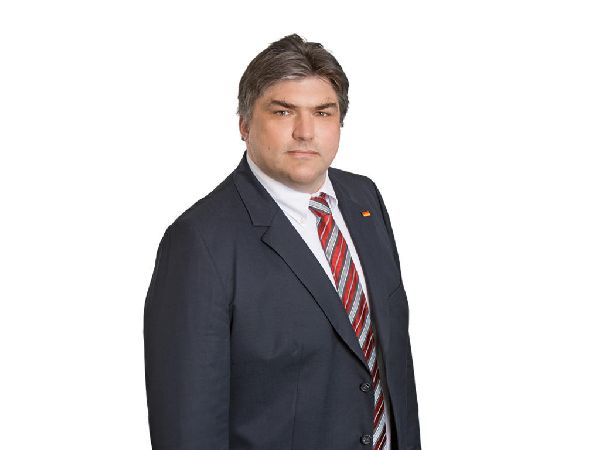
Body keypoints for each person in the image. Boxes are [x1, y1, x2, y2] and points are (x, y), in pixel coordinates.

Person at [144, 34, 421, 450]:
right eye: (283, 111)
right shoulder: (198, 242)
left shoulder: (364, 199)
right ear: (244, 124)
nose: (305, 132)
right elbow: (188, 427)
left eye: (322, 113)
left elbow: (390, 366)